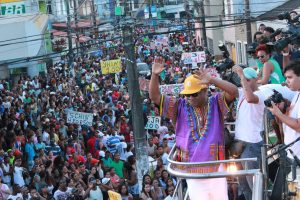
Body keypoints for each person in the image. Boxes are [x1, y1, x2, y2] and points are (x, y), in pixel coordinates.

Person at [149, 56, 238, 200]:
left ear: (205, 90)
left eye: (194, 94)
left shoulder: (216, 103)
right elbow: (154, 97)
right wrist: (154, 75)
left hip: (216, 166)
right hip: (192, 170)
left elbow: (234, 92)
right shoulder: (179, 106)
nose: (190, 98)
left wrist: (213, 80)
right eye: (187, 95)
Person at [268, 60, 300, 158]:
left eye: (290, 77)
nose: (286, 81)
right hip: (292, 153)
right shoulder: (297, 94)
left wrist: (279, 114)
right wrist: (284, 108)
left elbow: (299, 126)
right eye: (286, 78)